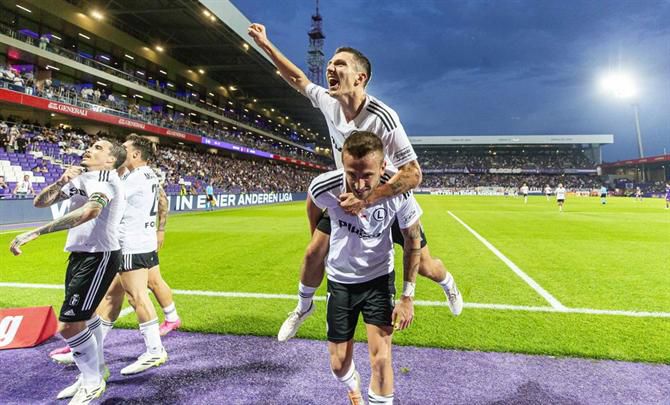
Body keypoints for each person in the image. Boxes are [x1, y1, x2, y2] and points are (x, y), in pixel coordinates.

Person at [248, 23, 463, 342]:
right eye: (330, 64)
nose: (330, 69)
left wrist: (370, 198)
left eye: (340, 64)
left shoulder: (383, 117)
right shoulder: (328, 101)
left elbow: (414, 174)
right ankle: (303, 307)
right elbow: (298, 78)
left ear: (360, 78)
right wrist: (266, 43)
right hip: (348, 196)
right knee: (313, 253)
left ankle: (449, 285)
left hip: (386, 198)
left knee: (427, 265)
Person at [9, 139, 127, 405]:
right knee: (83, 318)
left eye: (98, 148)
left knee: (68, 324)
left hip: (99, 256)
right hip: (79, 254)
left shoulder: (106, 179)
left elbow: (90, 211)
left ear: (110, 160)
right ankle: (94, 373)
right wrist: (62, 181)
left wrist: (37, 232)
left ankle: (93, 382)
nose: (89, 148)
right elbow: (40, 202)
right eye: (91, 145)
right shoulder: (86, 177)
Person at [49, 135, 180, 367]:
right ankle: (89, 347)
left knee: (137, 296)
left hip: (129, 242)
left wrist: (82, 181)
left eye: (126, 149)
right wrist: (160, 229)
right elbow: (161, 200)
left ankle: (154, 350)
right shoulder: (149, 175)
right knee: (111, 298)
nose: (121, 151)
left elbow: (104, 196)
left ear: (136, 155)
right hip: (140, 240)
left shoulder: (132, 179)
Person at [311, 131, 422, 404]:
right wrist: (314, 236)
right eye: (352, 174)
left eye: (367, 176)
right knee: (338, 365)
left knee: (381, 359)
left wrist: (408, 296)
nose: (359, 184)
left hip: (378, 279)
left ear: (383, 167)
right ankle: (353, 386)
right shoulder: (325, 187)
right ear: (342, 163)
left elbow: (412, 239)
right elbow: (312, 203)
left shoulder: (399, 193)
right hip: (340, 280)